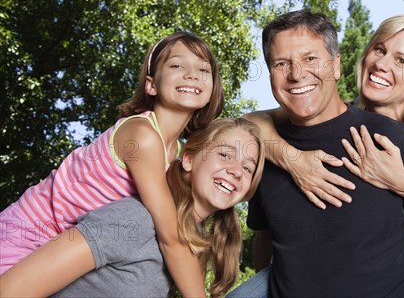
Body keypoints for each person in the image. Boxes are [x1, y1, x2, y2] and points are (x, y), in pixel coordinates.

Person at [230, 13, 404, 298]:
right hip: (327, 263)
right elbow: (250, 122)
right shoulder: (323, 109)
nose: (382, 64)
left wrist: (399, 181)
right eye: (379, 50)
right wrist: (294, 161)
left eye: (402, 61)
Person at [0, 32, 224, 297]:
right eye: (177, 65)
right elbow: (171, 238)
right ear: (151, 85)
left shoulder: (179, 153)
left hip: (64, 250)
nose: (191, 74)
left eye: (203, 69)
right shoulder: (142, 134)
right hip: (25, 234)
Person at [0, 118, 266, 298]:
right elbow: (10, 290)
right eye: (225, 155)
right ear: (188, 159)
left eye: (247, 167)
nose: (235, 171)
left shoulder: (191, 251)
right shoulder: (135, 219)